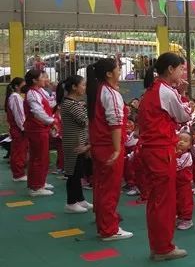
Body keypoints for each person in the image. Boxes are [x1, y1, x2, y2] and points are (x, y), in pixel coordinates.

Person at [139, 52, 192, 260]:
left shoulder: (156, 90)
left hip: (153, 149)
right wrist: (184, 96)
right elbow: (183, 116)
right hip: (160, 150)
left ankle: (159, 244)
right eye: (180, 68)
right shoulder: (166, 92)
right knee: (164, 200)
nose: (182, 72)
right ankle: (163, 247)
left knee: (157, 199)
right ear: (170, 69)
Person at [86, 58, 130, 240]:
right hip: (109, 147)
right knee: (110, 189)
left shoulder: (99, 91)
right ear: (109, 74)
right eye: (118, 68)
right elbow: (115, 123)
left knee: (102, 187)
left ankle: (105, 222)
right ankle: (109, 229)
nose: (120, 71)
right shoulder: (110, 93)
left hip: (101, 145)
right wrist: (118, 148)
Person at [57, 75, 93, 213]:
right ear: (74, 87)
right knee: (73, 173)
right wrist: (86, 108)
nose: (84, 88)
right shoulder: (70, 104)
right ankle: (71, 202)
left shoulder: (75, 103)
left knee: (78, 172)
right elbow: (84, 120)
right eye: (83, 85)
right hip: (74, 142)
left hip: (78, 140)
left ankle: (80, 199)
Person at [23, 69, 56, 196]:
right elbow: (38, 112)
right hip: (37, 129)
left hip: (41, 128)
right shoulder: (32, 93)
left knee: (41, 157)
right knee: (38, 157)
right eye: (43, 77)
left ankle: (39, 182)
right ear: (34, 80)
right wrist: (51, 121)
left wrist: (53, 90)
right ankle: (36, 187)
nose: (45, 79)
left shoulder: (39, 91)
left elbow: (50, 102)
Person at [6, 77, 28, 182]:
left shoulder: (17, 97)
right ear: (16, 86)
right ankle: (18, 174)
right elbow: (19, 115)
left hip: (18, 129)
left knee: (20, 151)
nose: (25, 86)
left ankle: (19, 173)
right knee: (18, 151)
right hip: (19, 129)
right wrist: (24, 128)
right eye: (23, 84)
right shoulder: (15, 97)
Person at [175, 132, 194, 230]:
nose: (181, 142)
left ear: (190, 145)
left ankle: (187, 220)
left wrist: (174, 156)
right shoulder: (176, 153)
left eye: (185, 141)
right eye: (179, 139)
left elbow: (178, 166)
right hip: (176, 183)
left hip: (184, 184)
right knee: (177, 201)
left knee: (185, 201)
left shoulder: (187, 155)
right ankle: (180, 216)